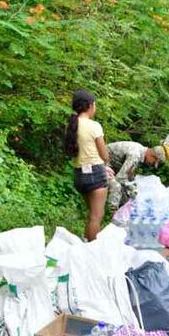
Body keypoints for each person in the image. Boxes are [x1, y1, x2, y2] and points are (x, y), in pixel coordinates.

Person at [63, 89, 112, 241]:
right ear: (90, 106)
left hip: (79, 174)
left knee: (92, 215)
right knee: (96, 217)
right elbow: (104, 154)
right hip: (95, 173)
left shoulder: (71, 125)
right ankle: (93, 251)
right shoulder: (94, 126)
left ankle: (86, 244)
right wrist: (106, 165)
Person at [106, 141, 165, 214]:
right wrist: (133, 189)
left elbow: (129, 174)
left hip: (112, 166)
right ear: (152, 156)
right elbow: (120, 178)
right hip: (101, 163)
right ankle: (110, 214)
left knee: (128, 195)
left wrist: (134, 186)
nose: (151, 165)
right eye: (153, 162)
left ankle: (123, 213)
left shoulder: (140, 151)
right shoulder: (135, 155)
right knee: (117, 187)